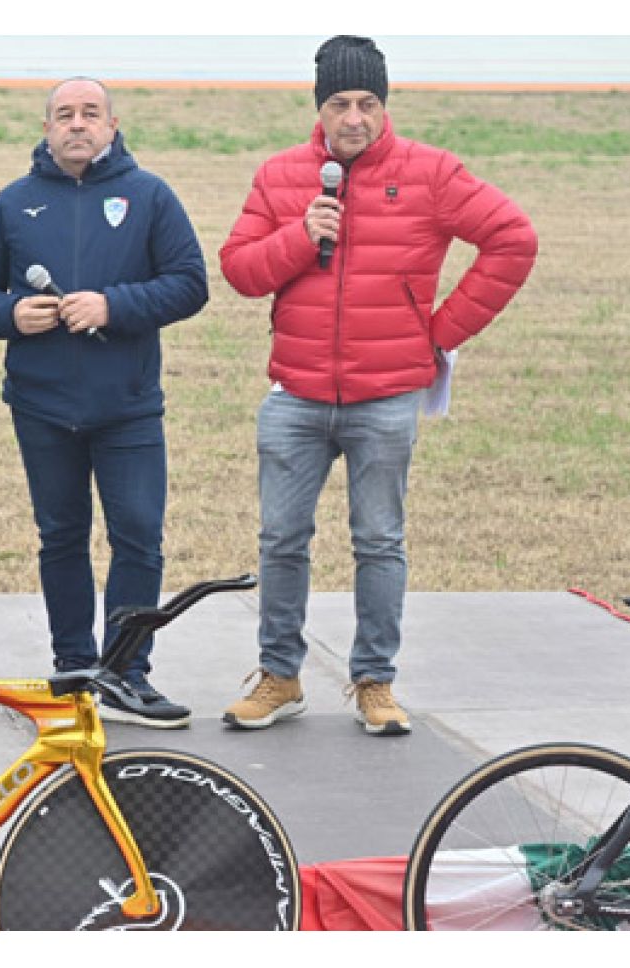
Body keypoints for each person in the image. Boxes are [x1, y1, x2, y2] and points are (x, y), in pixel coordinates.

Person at [219, 36, 537, 735]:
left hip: (387, 397)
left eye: (367, 103)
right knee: (280, 539)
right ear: (319, 108)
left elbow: (513, 238)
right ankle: (279, 676)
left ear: (384, 105)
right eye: (340, 103)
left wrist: (440, 333)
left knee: (380, 540)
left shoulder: (431, 172)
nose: (354, 117)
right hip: (296, 397)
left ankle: (376, 682)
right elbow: (240, 271)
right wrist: (303, 236)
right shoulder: (280, 177)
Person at [0, 78, 209, 729]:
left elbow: (189, 284)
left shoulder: (148, 197)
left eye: (90, 114)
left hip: (127, 408)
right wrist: (12, 313)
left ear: (113, 124)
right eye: (64, 115)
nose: (77, 125)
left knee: (138, 537)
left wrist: (114, 305)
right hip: (41, 408)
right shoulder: (15, 204)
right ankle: (73, 669)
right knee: (61, 537)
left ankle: (125, 673)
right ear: (46, 129)